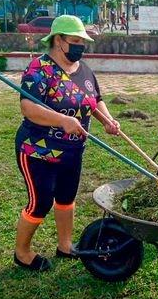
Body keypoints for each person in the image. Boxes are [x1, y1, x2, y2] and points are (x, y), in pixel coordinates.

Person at [14, 15, 120, 271]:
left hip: (73, 150)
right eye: (75, 41)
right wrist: (62, 120)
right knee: (40, 203)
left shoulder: (83, 70)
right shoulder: (39, 69)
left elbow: (95, 99)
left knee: (66, 197)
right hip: (38, 149)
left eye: (82, 42)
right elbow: (28, 108)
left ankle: (65, 245)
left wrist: (108, 119)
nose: (80, 47)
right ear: (58, 40)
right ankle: (22, 253)